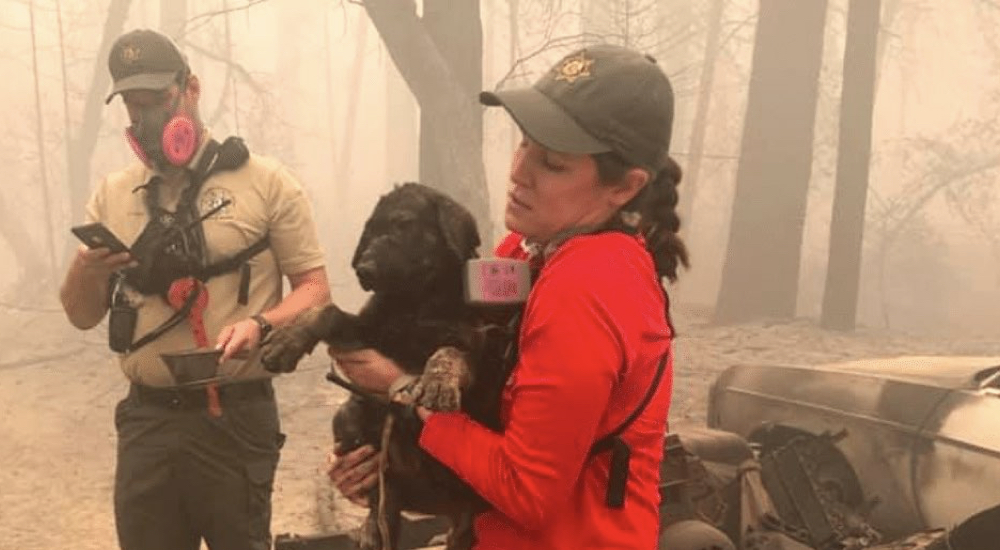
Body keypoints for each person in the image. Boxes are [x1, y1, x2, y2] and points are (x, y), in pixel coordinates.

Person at [326, 44, 687, 549]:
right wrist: (378, 462)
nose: (519, 171)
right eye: (524, 144)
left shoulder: (591, 287)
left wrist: (404, 390)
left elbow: (526, 492)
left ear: (624, 188)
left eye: (553, 164)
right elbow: (473, 404)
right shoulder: (527, 249)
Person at [58, 29, 330, 550]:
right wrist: (85, 271)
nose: (147, 120)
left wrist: (261, 324)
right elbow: (79, 315)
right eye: (134, 108)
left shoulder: (266, 182)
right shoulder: (114, 195)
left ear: (192, 89)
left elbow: (316, 290)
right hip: (147, 421)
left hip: (235, 418)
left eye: (158, 101)